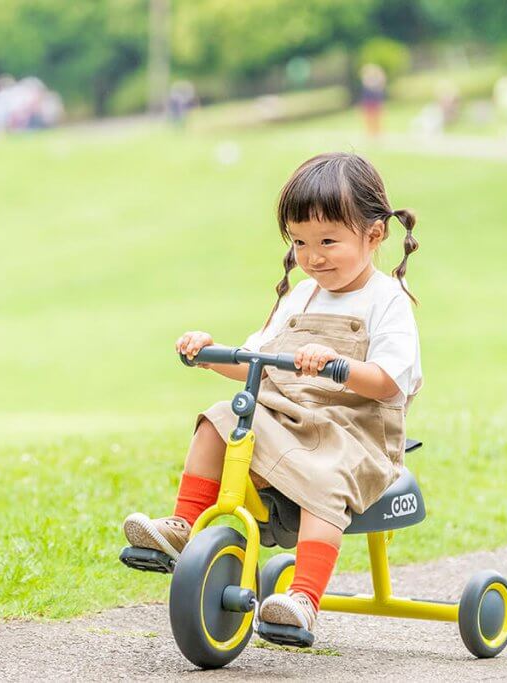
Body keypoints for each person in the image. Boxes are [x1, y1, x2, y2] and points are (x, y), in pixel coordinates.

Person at [123, 152, 423, 642]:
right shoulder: (299, 296)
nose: (314, 256)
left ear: (374, 235)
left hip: (355, 436)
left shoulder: (385, 300)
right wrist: (209, 353)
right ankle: (184, 524)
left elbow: (390, 381)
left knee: (326, 481)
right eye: (301, 242)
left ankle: (303, 598)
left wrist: (335, 365)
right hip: (287, 419)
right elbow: (255, 364)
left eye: (328, 240)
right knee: (219, 419)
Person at [359, 64, 387, 137]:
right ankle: (370, 132)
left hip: (375, 100)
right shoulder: (367, 79)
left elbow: (382, 81)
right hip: (368, 100)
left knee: (377, 117)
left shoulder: (377, 80)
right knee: (369, 117)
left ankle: (377, 132)